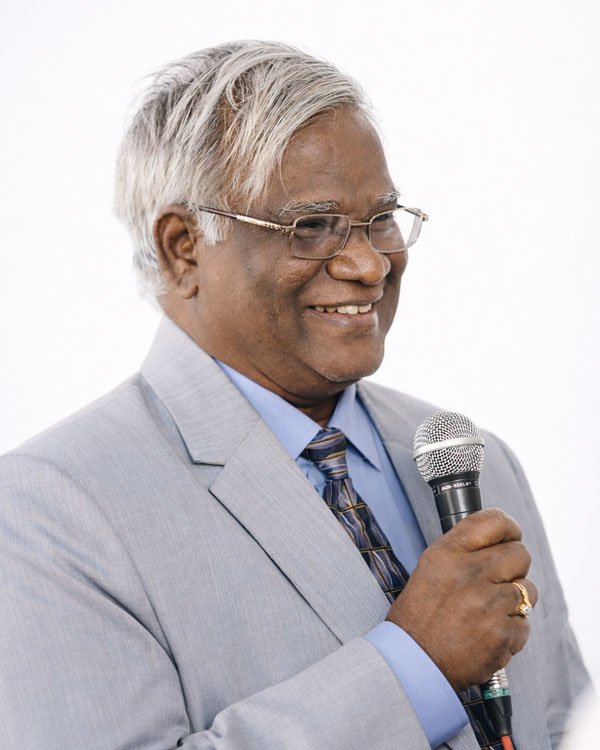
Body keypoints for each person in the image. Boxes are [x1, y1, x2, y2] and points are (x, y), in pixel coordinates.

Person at [0, 40, 589, 750]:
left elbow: (562, 723)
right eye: (311, 227)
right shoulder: (50, 510)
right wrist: (416, 666)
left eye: (381, 217)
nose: (368, 263)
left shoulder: (473, 459)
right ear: (182, 247)